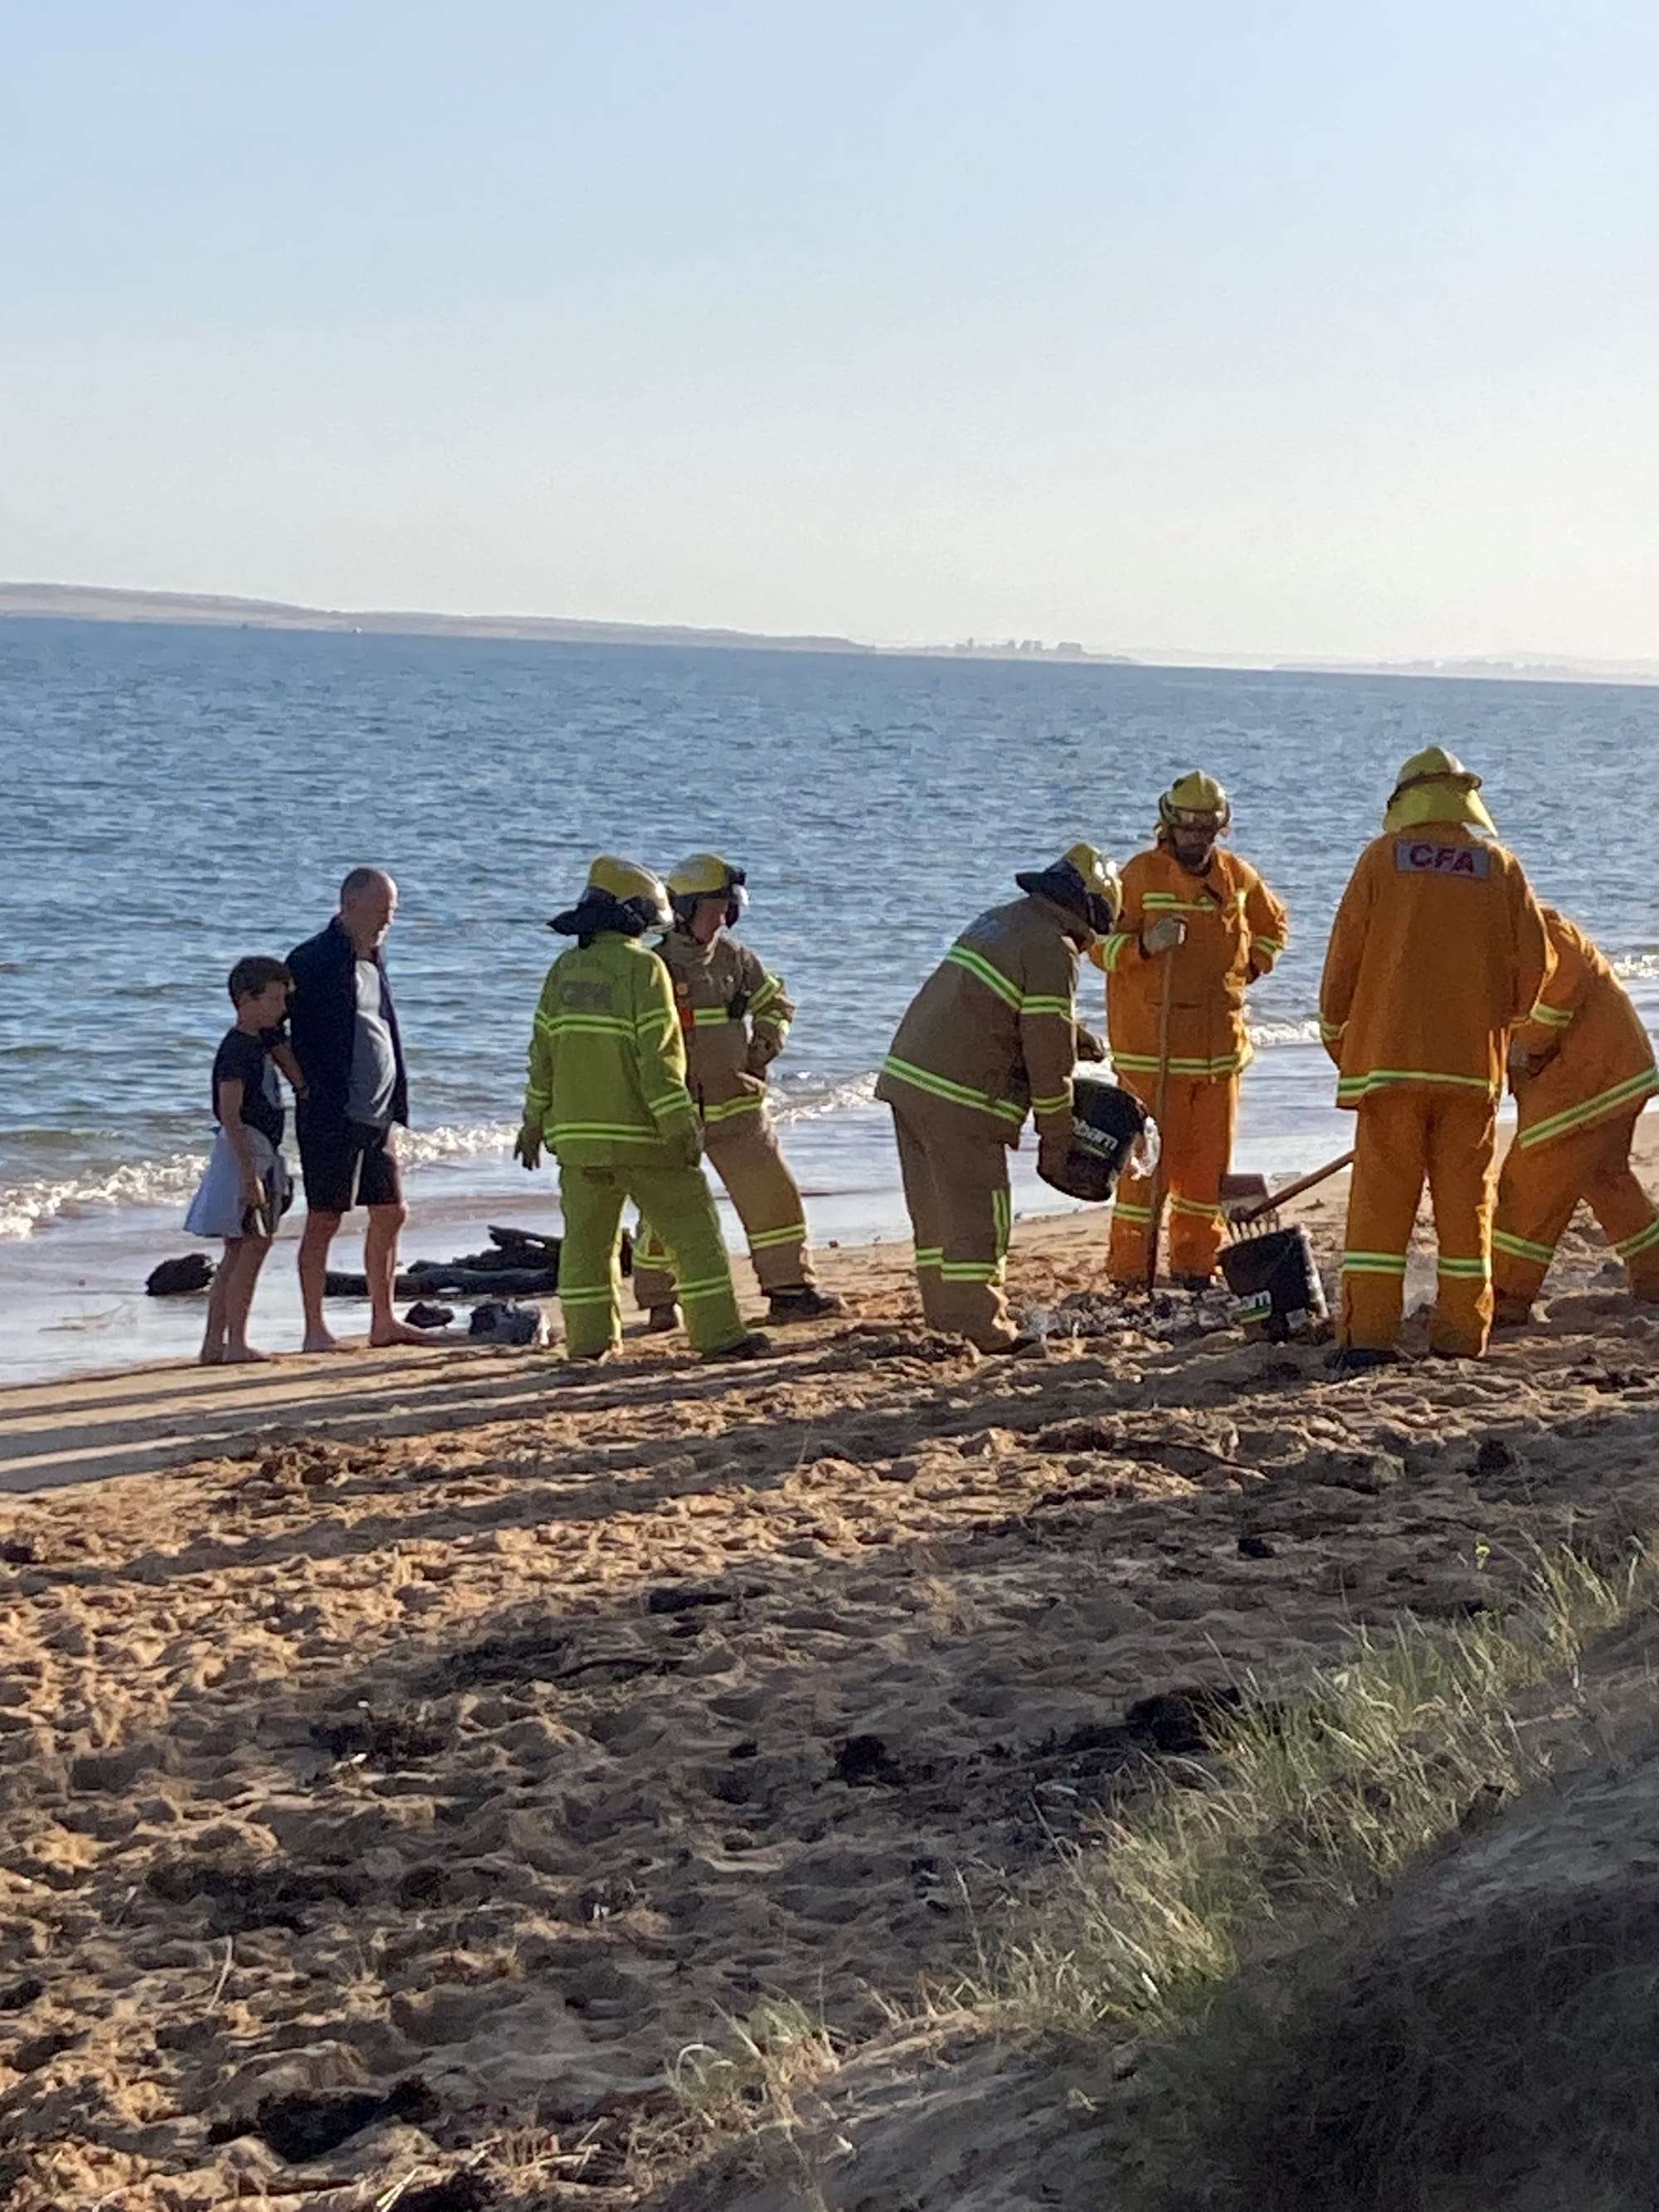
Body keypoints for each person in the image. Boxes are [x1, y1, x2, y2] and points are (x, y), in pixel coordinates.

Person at [1320, 746, 1552, 1369]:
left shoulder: (1381, 860)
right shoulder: (1499, 866)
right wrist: (1498, 1020)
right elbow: (1537, 968)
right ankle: (1459, 1335)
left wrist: (1337, 1035)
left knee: (1380, 1207)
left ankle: (1368, 1334)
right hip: (1471, 1071)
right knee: (1464, 1208)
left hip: (1387, 1069)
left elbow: (1344, 957)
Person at [514, 856, 769, 1364]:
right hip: (641, 1138)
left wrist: (533, 1122)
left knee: (587, 1249)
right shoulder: (644, 969)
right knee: (694, 1234)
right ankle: (718, 1335)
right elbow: (659, 1060)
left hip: (579, 1143)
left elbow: (542, 1053)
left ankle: (589, 1344)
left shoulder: (564, 969)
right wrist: (680, 1124)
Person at [874, 843, 1121, 1353]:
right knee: (979, 1215)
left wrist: (1075, 1033)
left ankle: (946, 1318)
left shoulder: (1004, 920)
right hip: (962, 1095)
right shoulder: (1055, 947)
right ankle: (982, 1328)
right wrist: (1056, 1136)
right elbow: (1048, 1058)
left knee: (936, 1214)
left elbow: (999, 1001)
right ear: (1091, 911)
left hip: (910, 1077)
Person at [1090, 771, 1289, 1288]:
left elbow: (1274, 927)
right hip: (1151, 1060)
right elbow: (1096, 945)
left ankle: (1195, 1270)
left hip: (1220, 1059)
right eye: (1188, 827)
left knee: (1206, 1180)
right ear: (1168, 824)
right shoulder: (1138, 877)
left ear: (1220, 828)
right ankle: (1131, 1276)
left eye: (1208, 828)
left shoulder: (1237, 878)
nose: (1197, 837)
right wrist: (1143, 946)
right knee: (1144, 1179)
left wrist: (1254, 965)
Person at [630, 853, 845, 1331]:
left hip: (739, 1110)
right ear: (683, 909)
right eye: (715, 907)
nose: (724, 917)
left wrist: (764, 1048)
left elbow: (776, 1003)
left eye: (730, 908)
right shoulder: (652, 967)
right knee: (665, 1214)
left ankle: (791, 1291)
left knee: (776, 1200)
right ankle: (660, 1303)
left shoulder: (736, 958)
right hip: (674, 1114)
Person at [285, 868, 441, 1353]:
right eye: (381, 910)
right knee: (326, 1217)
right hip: (333, 1113)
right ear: (350, 903)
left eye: (392, 911)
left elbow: (380, 1029)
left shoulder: (373, 956)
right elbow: (274, 1028)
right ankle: (315, 1328)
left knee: (392, 1212)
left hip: (377, 1115)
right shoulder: (313, 959)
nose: (388, 919)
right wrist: (304, 1088)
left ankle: (383, 1320)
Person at [1491, 906, 1659, 1322]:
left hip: (1588, 1083)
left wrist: (1524, 1045)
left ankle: (1506, 1294)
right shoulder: (1509, 933)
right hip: (1613, 1075)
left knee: (1530, 1183)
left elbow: (1553, 998)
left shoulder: (1541, 927)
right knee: (1607, 1182)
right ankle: (1656, 1274)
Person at [183, 955, 297, 1364]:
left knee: (239, 1247)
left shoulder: (261, 1040)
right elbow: (230, 1114)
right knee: (252, 1243)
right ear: (245, 999)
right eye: (274, 999)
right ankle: (235, 1342)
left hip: (257, 1147)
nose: (281, 1007)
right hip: (245, 1149)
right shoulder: (237, 1049)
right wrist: (250, 1175)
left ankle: (215, 1344)